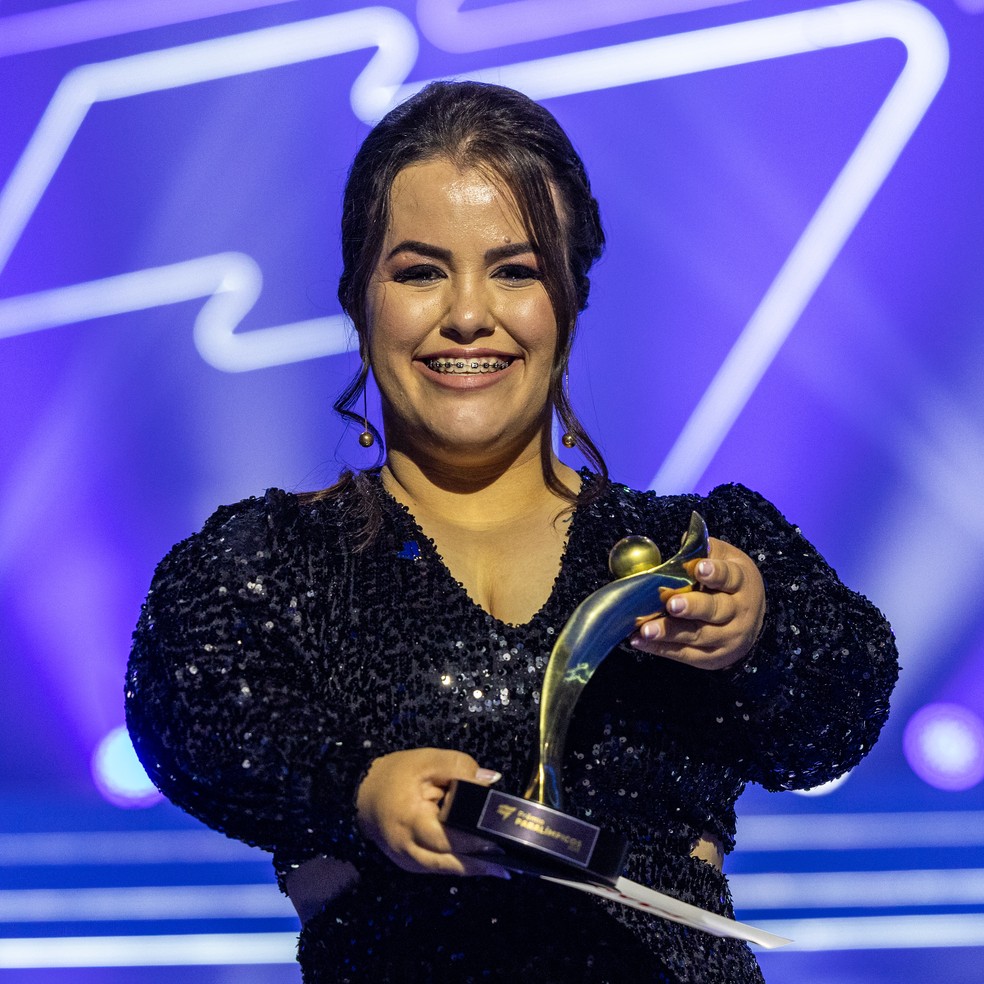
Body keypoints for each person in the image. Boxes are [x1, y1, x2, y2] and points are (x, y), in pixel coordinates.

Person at [125, 81, 898, 983]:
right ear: (357, 296)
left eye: (515, 270)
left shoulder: (696, 550)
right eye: (419, 271)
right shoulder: (267, 566)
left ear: (569, 302)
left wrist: (759, 635)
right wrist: (357, 794)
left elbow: (840, 715)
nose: (467, 315)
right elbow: (191, 713)